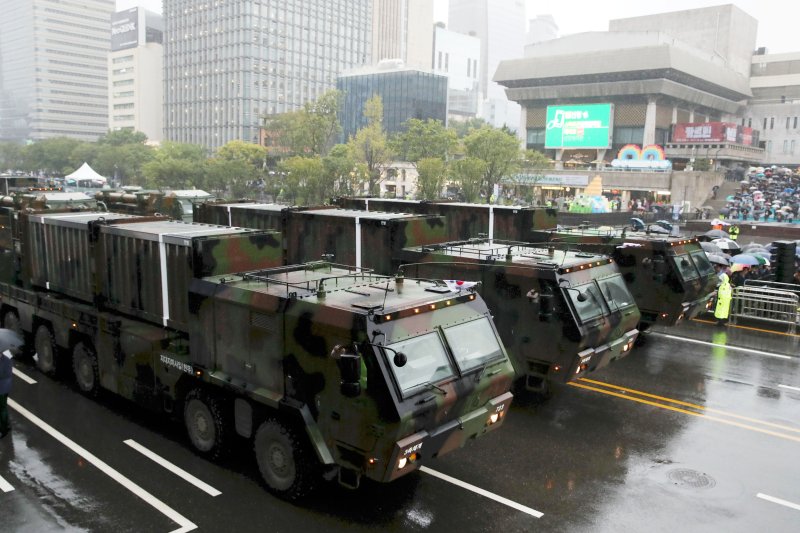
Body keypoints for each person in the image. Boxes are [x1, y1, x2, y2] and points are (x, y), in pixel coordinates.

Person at [0, 349, 12, 438]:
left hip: (2, 389)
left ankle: (3, 429)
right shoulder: (7, 360)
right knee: (3, 407)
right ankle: (6, 425)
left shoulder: (5, 362)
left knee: (2, 409)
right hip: (5, 388)